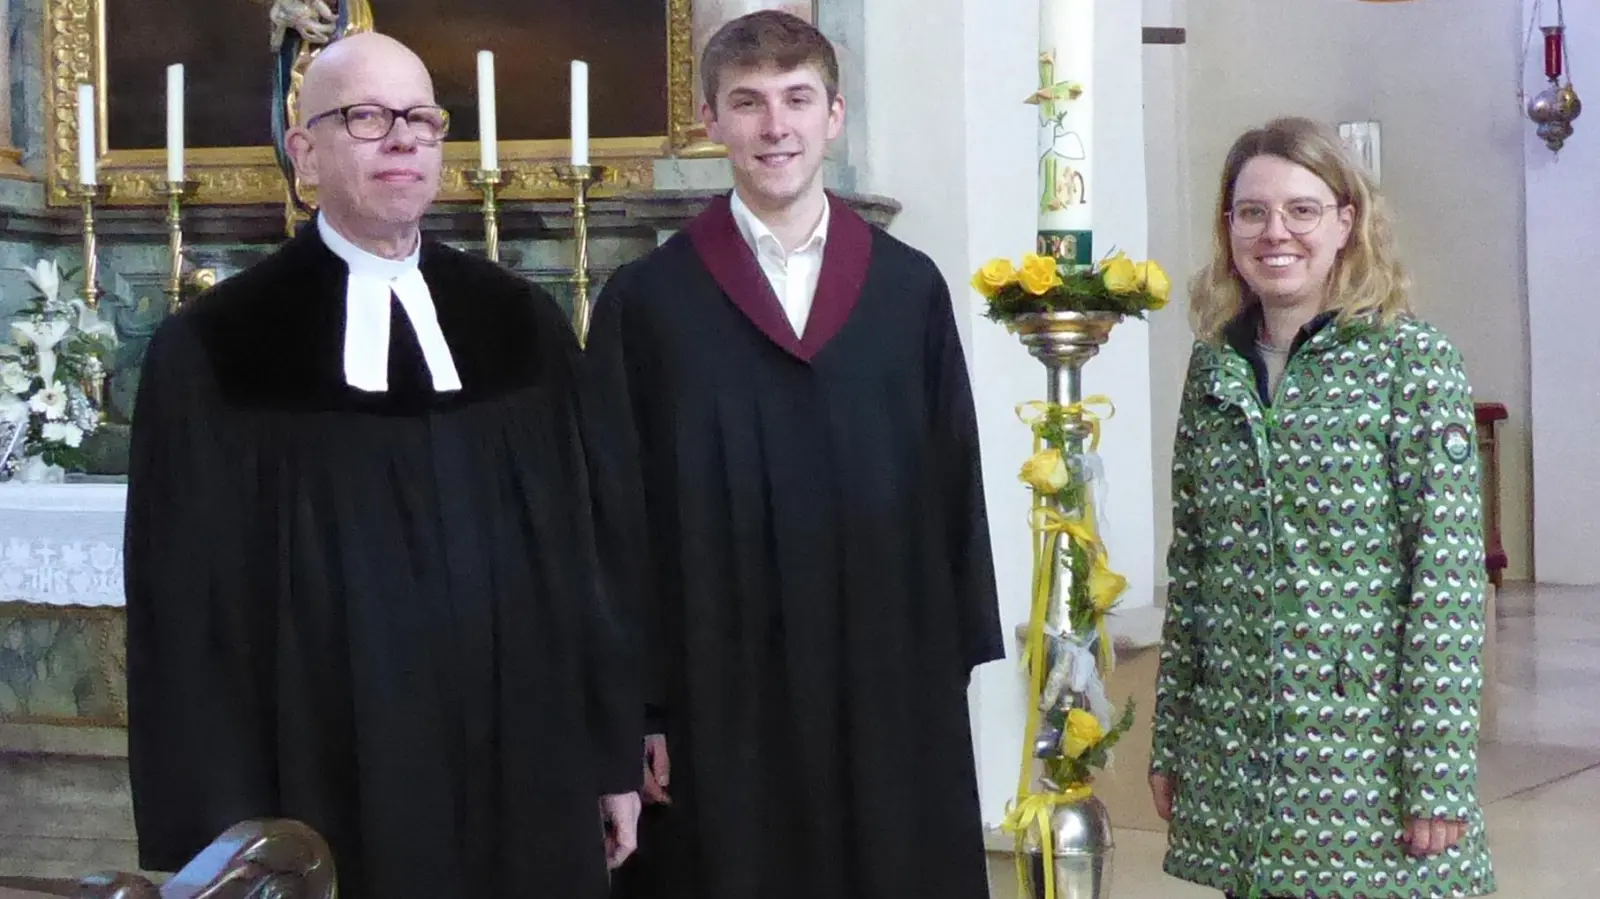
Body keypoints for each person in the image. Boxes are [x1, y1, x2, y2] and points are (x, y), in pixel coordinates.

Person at [123, 32, 642, 899]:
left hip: (526, 768)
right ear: (306, 153)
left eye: (421, 119)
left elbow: (586, 561)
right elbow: (184, 611)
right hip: (324, 772)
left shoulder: (522, 326)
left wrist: (609, 752)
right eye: (365, 117)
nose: (401, 139)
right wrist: (217, 835)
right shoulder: (218, 347)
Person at [585, 10, 1003, 899]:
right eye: (748, 103)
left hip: (884, 672)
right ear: (712, 122)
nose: (775, 127)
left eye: (796, 100)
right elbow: (614, 517)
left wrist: (947, 668)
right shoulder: (650, 302)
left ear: (833, 116)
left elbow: (951, 482)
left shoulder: (904, 287)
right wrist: (638, 709)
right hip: (717, 686)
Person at [1149, 116, 1496, 899]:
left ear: (1347, 222)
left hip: (1362, 759)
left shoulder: (1412, 360)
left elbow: (1442, 581)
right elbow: (1194, 567)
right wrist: (1171, 738)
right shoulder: (1214, 368)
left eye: (1303, 210)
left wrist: (1437, 771)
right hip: (1240, 755)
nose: (1277, 232)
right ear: (1228, 227)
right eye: (1253, 212)